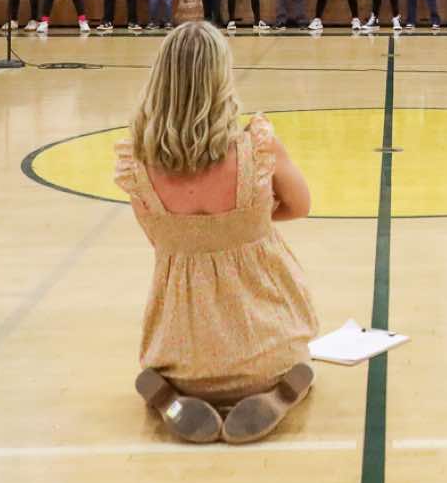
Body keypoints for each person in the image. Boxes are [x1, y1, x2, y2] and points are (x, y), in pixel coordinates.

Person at [118, 23, 318, 444]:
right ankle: (280, 392)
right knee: (298, 364)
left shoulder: (137, 163)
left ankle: (169, 396)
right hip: (267, 352)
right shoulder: (257, 147)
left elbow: (159, 238)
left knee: (169, 369)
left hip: (178, 358)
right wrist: (250, 221)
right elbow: (300, 205)